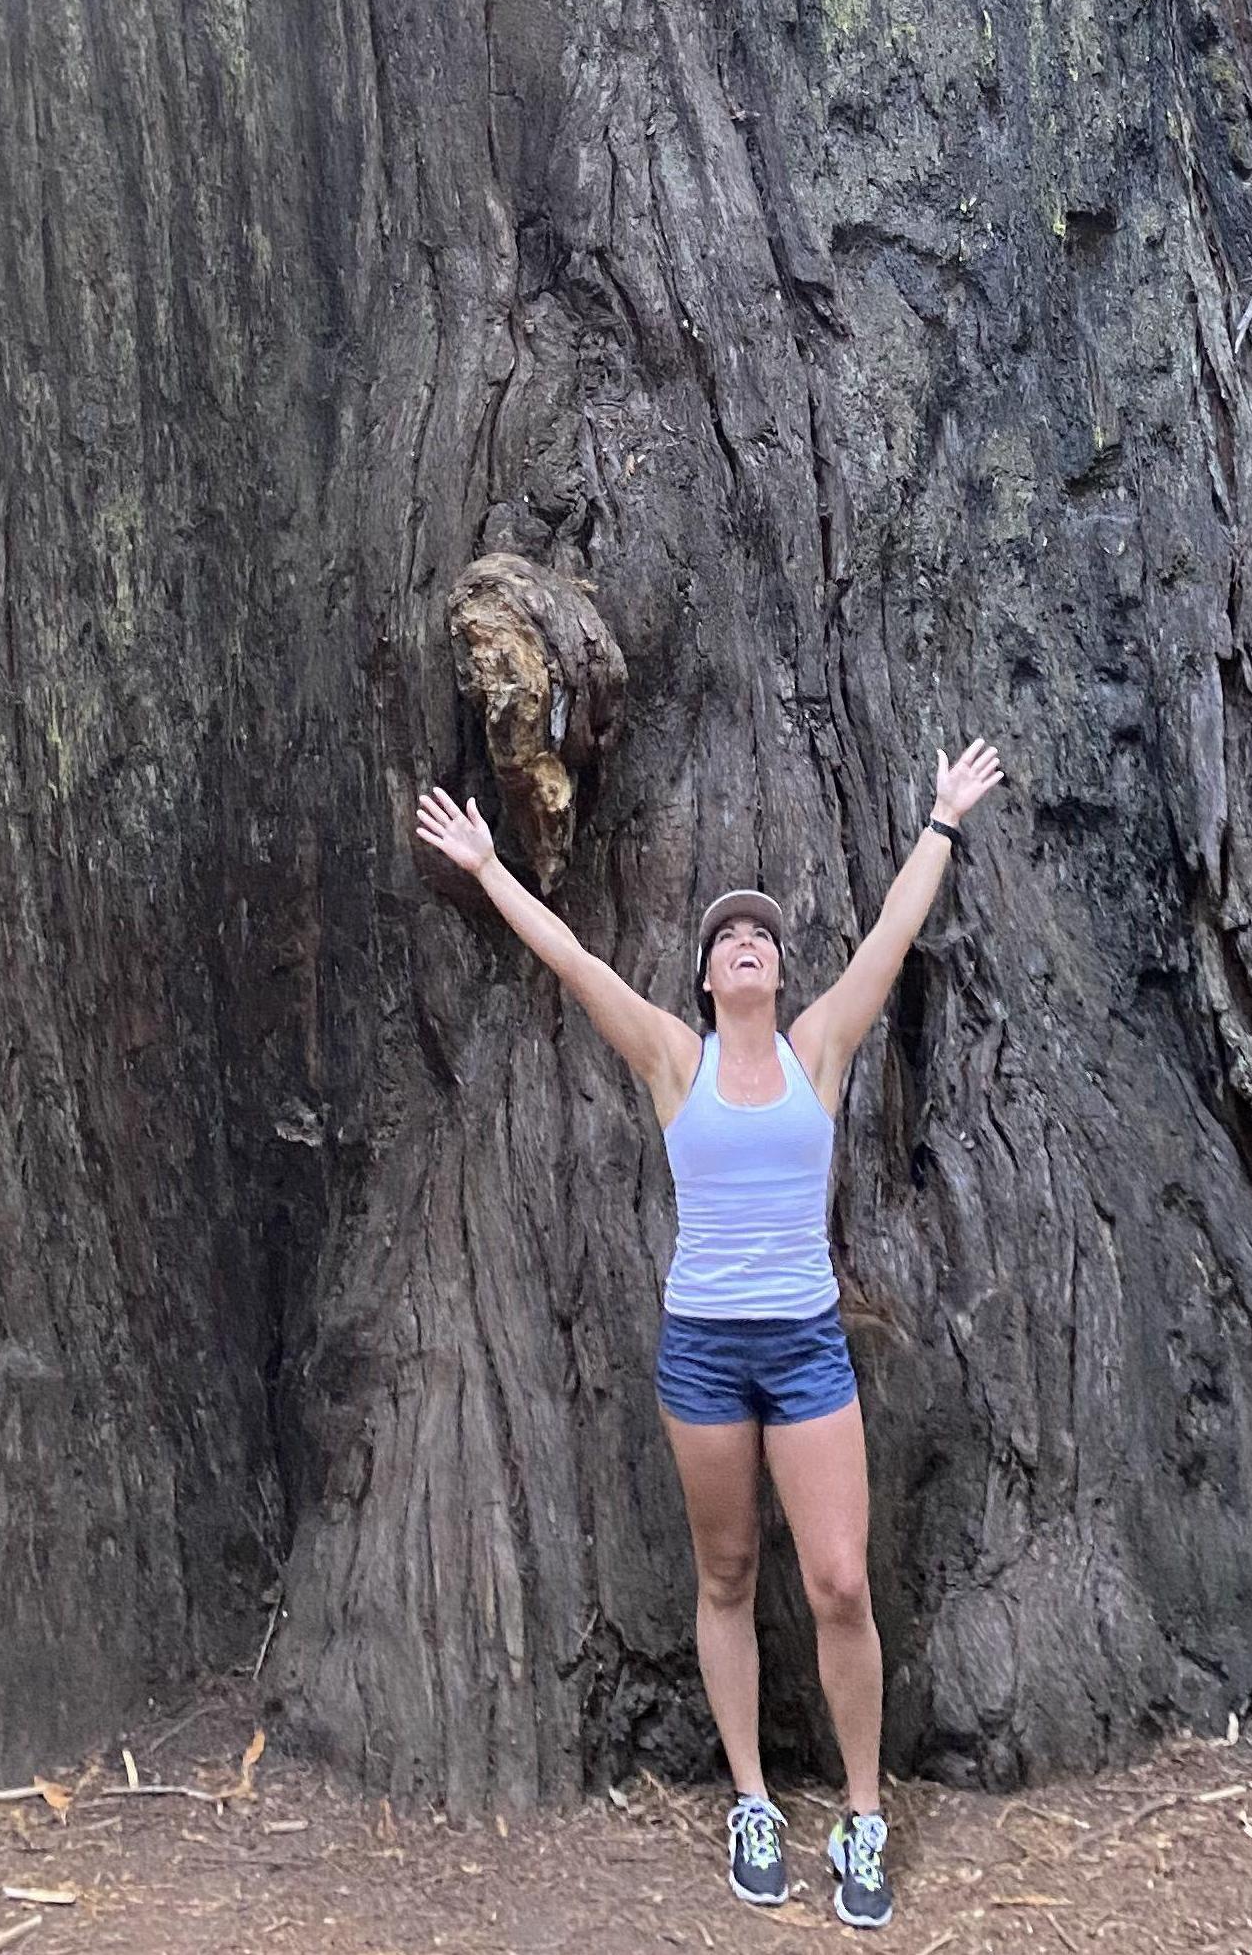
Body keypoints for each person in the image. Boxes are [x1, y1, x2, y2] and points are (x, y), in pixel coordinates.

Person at [414, 738, 1006, 1930]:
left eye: (766, 938)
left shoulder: (817, 1053)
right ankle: (748, 1798)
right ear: (704, 975)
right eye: (730, 936)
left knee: (839, 1582)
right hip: (700, 1350)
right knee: (727, 1574)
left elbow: (891, 933)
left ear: (780, 975)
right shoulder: (671, 1060)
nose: (750, 943)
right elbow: (575, 961)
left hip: (802, 1347)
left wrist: (941, 819)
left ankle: (861, 1811)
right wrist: (486, 868)